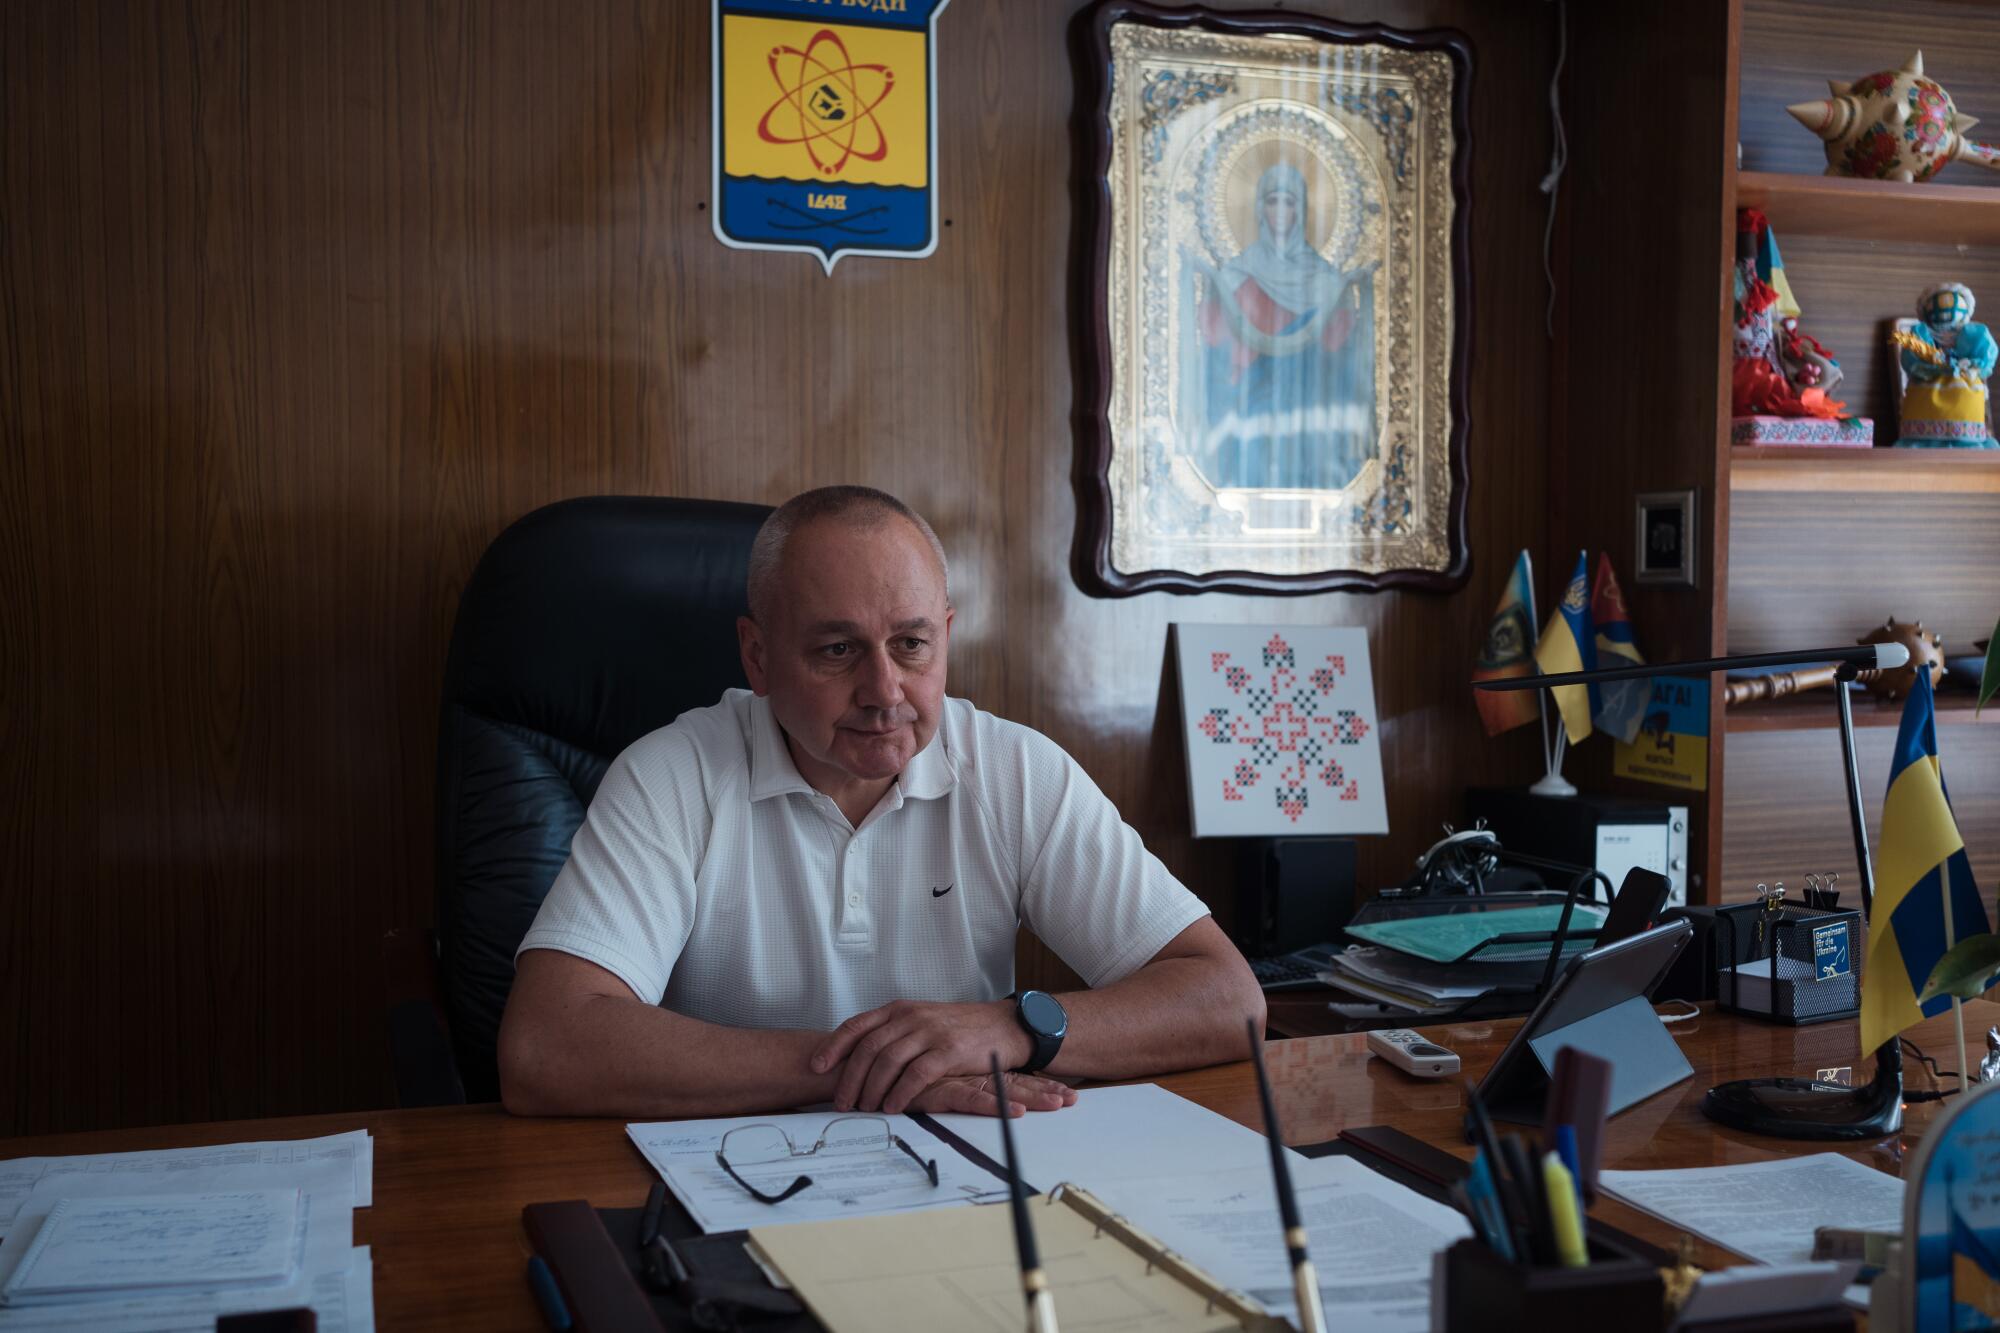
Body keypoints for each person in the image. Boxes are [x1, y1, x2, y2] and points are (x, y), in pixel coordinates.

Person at [498, 485, 1264, 1120]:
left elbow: (1228, 996)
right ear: (758, 657)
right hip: (734, 1182)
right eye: (838, 650)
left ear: (947, 638)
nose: (884, 692)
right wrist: (871, 1067)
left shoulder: (1013, 771)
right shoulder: (672, 774)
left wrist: (1010, 1027)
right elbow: (545, 1046)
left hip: (959, 1184)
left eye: (911, 644)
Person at [1187, 161, 1376, 491]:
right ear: (1260, 207)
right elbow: (1217, 354)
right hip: (1251, 412)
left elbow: (1339, 362)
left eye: (1289, 202)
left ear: (1300, 210)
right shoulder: (1234, 275)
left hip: (1308, 417)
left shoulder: (1326, 281)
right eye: (1273, 200)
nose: (1280, 211)